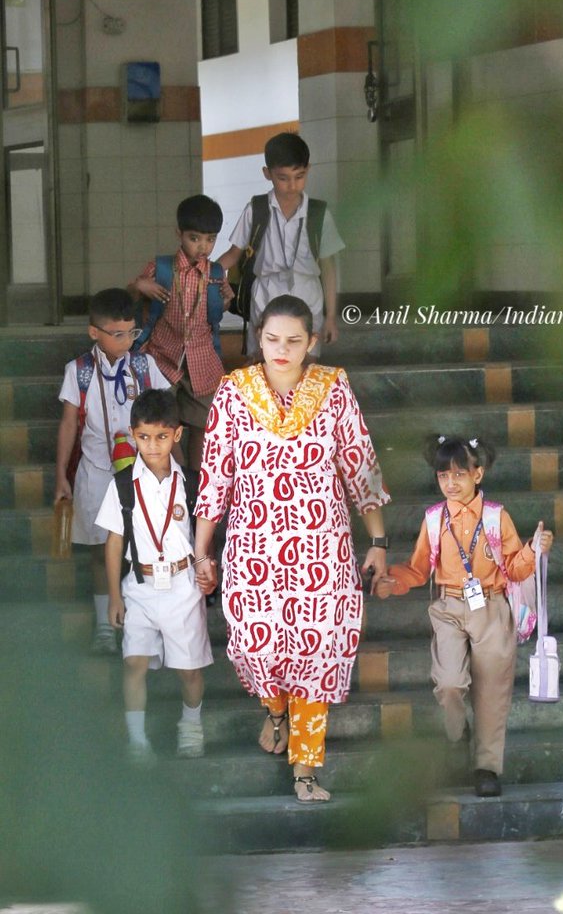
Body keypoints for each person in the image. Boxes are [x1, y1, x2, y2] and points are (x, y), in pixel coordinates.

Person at [193, 294, 390, 803]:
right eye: (273, 339)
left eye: (294, 341)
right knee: (256, 647)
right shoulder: (233, 392)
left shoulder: (333, 388)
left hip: (321, 548)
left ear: (312, 343)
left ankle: (305, 770)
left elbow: (359, 466)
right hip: (253, 549)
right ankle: (275, 712)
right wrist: (202, 552)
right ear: (258, 337)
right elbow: (216, 478)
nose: (282, 349)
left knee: (317, 651)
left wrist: (378, 540)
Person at [375, 434, 554, 798]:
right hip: (449, 608)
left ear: (478, 474)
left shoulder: (496, 517)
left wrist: (534, 550)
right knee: (450, 683)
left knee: (492, 693)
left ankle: (487, 767)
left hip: (491, 608)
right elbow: (418, 569)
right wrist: (392, 582)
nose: (450, 483)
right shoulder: (433, 519)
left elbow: (516, 569)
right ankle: (458, 734)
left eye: (459, 474)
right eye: (443, 476)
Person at [95, 388, 215, 763]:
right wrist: (115, 596)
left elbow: (205, 535)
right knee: (134, 662)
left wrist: (207, 567)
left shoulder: (192, 483)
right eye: (144, 437)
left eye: (162, 437)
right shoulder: (122, 485)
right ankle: (137, 740)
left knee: (189, 670)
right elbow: (114, 544)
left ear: (177, 435)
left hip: (183, 587)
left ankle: (191, 726)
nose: (152, 446)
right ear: (133, 435)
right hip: (141, 587)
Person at [54, 288, 170, 654]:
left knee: (148, 547)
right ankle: (105, 626)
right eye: (117, 334)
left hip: (143, 473)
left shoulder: (144, 366)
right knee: (98, 550)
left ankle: (147, 625)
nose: (127, 340)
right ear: (94, 333)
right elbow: (69, 424)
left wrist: (172, 470)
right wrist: (61, 475)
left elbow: (166, 414)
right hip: (96, 473)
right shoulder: (80, 371)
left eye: (132, 332)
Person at [129, 194, 233, 472]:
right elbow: (130, 298)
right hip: (162, 357)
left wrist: (227, 299)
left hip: (202, 362)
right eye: (195, 238)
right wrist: (141, 286)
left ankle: (196, 483)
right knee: (161, 421)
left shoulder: (216, 273)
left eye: (210, 239)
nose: (203, 246)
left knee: (203, 424)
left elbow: (215, 315)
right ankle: (175, 473)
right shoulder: (161, 267)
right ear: (179, 234)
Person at [218, 132, 344, 355]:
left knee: (306, 362)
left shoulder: (319, 213)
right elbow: (234, 254)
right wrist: (201, 272)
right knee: (262, 361)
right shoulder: (256, 209)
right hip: (266, 293)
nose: (292, 185)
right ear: (267, 174)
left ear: (308, 170)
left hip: (308, 293)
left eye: (299, 176)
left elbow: (328, 267)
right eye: (283, 178)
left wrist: (331, 317)